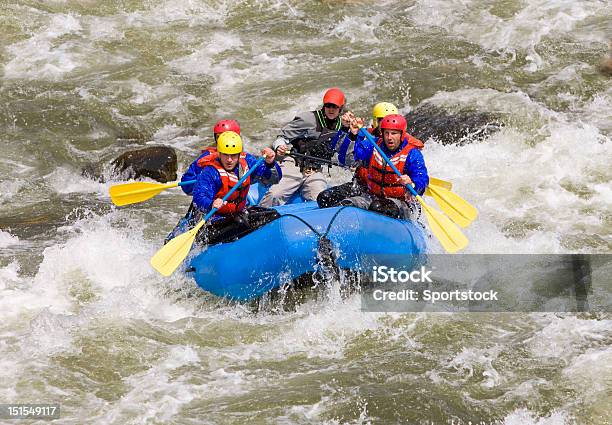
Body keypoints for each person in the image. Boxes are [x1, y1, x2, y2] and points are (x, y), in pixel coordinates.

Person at [166, 131, 282, 245]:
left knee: (273, 215)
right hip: (213, 222)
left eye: (233, 155)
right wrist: (211, 203)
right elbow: (199, 197)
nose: (229, 160)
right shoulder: (210, 172)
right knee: (240, 222)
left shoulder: (246, 164)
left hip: (238, 213)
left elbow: (272, 178)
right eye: (226, 155)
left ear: (239, 154)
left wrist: (270, 163)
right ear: (219, 154)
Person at [317, 113, 429, 221]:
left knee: (377, 208)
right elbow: (348, 159)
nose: (389, 137)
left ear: (402, 135)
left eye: (394, 133)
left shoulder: (412, 154)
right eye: (387, 133)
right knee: (344, 206)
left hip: (401, 202)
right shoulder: (373, 145)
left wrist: (412, 183)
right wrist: (353, 135)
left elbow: (422, 179)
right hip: (371, 196)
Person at [259, 87, 352, 206]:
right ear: (324, 106)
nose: (331, 109)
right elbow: (282, 136)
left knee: (322, 199)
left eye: (335, 107)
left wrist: (349, 129)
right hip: (295, 164)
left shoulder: (343, 126)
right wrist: (280, 146)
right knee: (275, 194)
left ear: (341, 109)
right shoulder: (308, 119)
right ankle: (257, 218)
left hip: (315, 171)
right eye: (328, 105)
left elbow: (343, 152)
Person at [318, 102, 400, 208]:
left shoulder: (403, 143)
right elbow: (344, 159)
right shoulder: (363, 136)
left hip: (388, 194)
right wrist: (348, 131)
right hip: (361, 186)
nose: (386, 124)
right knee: (324, 198)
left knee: (371, 206)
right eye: (382, 120)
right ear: (375, 121)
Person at [180, 119, 242, 196]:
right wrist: (205, 180)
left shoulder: (245, 157)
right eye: (219, 137)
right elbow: (186, 185)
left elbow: (259, 172)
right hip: (214, 201)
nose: (222, 140)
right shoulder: (207, 157)